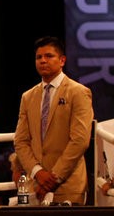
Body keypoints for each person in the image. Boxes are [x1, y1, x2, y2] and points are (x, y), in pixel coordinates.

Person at [13, 36, 94, 205]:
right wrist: (38, 172)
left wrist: (53, 177)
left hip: (68, 184)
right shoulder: (28, 97)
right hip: (35, 185)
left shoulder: (78, 92)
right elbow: (21, 141)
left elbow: (80, 140)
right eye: (39, 57)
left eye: (49, 56)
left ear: (62, 60)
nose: (43, 61)